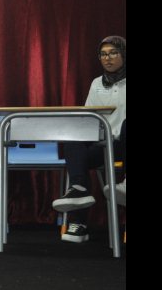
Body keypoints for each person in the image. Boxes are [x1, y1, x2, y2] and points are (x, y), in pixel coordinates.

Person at [52, 35, 126, 243]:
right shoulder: (96, 83)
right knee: (74, 136)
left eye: (113, 53)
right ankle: (78, 197)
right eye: (103, 54)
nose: (108, 58)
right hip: (104, 144)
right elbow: (89, 117)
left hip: (123, 143)